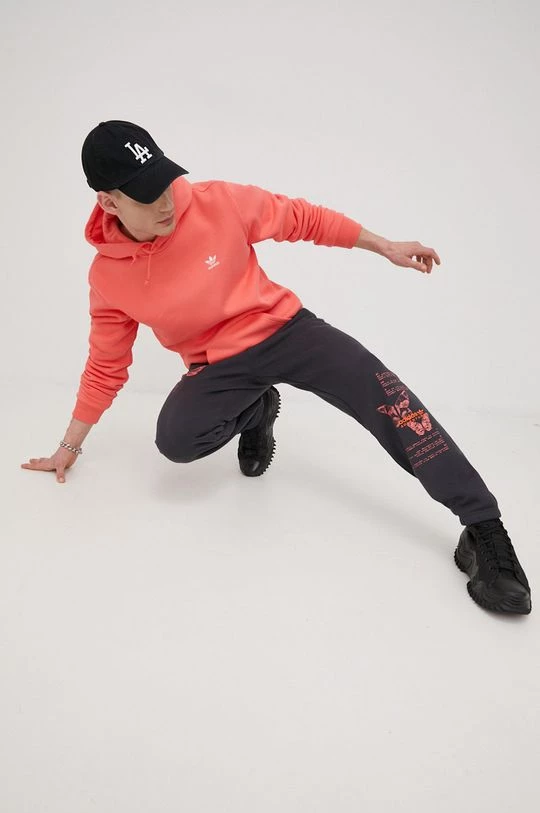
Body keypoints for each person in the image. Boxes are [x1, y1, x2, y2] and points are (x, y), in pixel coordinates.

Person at [20, 119, 531, 616]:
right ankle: (256, 409)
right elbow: (105, 364)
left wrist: (384, 246)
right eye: (146, 194)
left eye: (165, 181)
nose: (167, 201)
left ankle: (482, 528)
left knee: (388, 397)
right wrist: (69, 447)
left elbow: (301, 218)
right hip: (219, 367)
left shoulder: (217, 201)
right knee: (176, 440)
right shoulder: (109, 278)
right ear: (109, 202)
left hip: (286, 330)